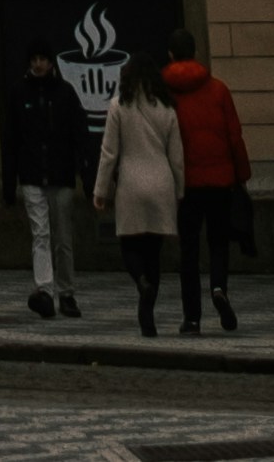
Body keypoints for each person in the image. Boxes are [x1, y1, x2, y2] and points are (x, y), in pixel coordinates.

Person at [92, 53, 189, 338]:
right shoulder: (167, 109)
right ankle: (148, 316)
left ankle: (141, 282)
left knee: (129, 245)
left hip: (131, 184)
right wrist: (179, 190)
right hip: (161, 183)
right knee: (153, 251)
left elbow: (109, 153)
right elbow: (177, 157)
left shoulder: (118, 106)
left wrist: (101, 190)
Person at [165, 42, 252, 338]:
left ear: (171, 54)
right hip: (220, 180)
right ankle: (218, 288)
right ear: (195, 53)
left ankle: (192, 319)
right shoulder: (218, 89)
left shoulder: (166, 93)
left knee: (188, 250)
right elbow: (234, 135)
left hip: (186, 183)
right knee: (218, 242)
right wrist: (242, 174)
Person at [6, 46, 88, 321]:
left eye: (42, 59)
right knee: (40, 234)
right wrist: (10, 182)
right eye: (34, 59)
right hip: (32, 175)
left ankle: (66, 292)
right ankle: (45, 291)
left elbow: (79, 133)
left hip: (60, 174)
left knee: (62, 237)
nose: (38, 64)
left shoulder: (65, 93)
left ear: (51, 62)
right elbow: (11, 139)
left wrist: (84, 173)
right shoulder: (19, 93)